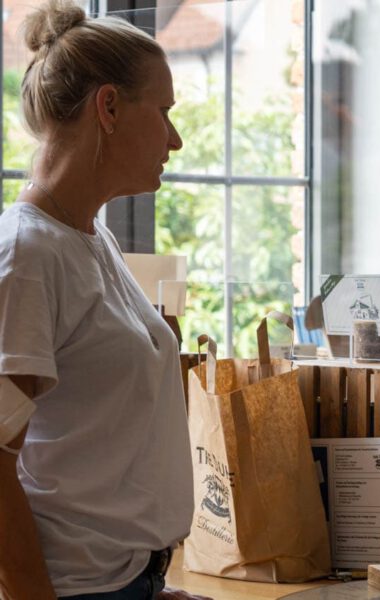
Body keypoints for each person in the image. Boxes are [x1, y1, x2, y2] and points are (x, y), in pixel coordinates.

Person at [0, 1, 209, 598]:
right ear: (109, 107)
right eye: (165, 111)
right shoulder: (29, 257)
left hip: (126, 583)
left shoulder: (91, 239)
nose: (176, 138)